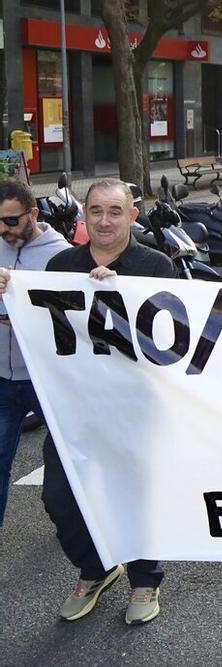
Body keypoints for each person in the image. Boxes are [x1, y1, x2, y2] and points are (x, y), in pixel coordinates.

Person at [6, 180, 175, 625]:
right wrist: (11, 290)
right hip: (74, 409)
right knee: (60, 500)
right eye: (96, 211)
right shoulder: (63, 264)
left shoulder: (155, 265)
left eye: (114, 211)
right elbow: (40, 321)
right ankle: (97, 567)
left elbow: (174, 337)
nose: (104, 221)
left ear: (132, 216)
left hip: (135, 409)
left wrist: (120, 298)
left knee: (135, 495)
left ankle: (144, 579)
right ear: (84, 215)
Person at [0, 180, 70, 528]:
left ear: (33, 214)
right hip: (2, 376)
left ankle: (85, 528)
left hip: (46, 378)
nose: (3, 229)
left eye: (11, 221)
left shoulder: (61, 254)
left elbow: (75, 314)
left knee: (69, 458)